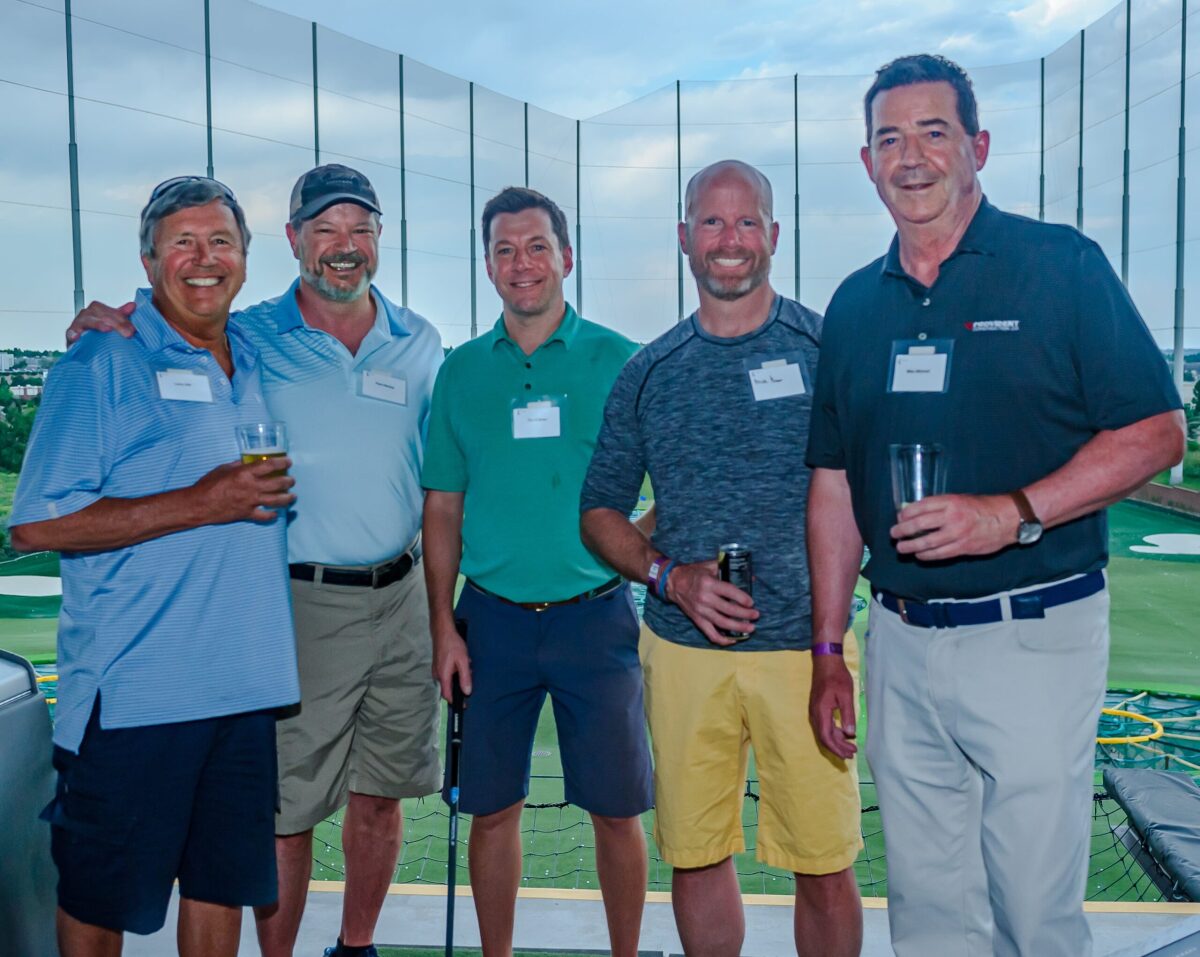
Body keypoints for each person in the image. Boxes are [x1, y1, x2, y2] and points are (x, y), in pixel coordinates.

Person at [805, 54, 1186, 957]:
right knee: (928, 911)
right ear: (866, 162)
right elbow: (833, 485)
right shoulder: (854, 305)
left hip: (1034, 631)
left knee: (1033, 911)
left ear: (977, 147)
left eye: (932, 132)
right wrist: (827, 648)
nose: (910, 157)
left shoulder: (1060, 265)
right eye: (889, 138)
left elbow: (1155, 431)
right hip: (898, 639)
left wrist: (1010, 511)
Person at [66, 164, 444, 957]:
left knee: (383, 795)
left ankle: (357, 945)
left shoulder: (420, 341)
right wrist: (105, 322)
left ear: (381, 237)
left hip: (401, 596)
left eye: (360, 228)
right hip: (299, 600)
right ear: (294, 238)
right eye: (326, 229)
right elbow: (173, 319)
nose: (344, 246)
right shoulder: (252, 334)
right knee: (286, 811)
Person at [11, 177, 300, 957]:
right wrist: (202, 501)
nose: (204, 258)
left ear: (245, 258)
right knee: (99, 898)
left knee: (220, 888)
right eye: (183, 242)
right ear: (148, 261)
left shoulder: (258, 353)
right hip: (137, 695)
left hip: (245, 687)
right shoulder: (102, 360)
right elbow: (35, 525)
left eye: (220, 241)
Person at [580, 159, 862, 957]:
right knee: (697, 853)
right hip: (683, 651)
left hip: (808, 651)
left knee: (824, 863)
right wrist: (671, 577)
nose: (729, 239)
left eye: (746, 222)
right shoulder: (649, 371)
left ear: (774, 234)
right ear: (684, 236)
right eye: (712, 221)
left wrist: (832, 640)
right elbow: (598, 512)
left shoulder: (827, 349)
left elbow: (866, 490)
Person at [421, 186, 653, 957]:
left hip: (598, 618)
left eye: (537, 247)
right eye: (505, 250)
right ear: (488, 265)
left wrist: (635, 550)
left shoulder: (620, 359)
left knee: (617, 812)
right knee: (492, 812)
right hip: (491, 623)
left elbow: (674, 481)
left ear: (567, 256)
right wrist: (442, 626)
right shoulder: (460, 372)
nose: (522, 263)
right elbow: (442, 508)